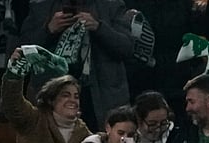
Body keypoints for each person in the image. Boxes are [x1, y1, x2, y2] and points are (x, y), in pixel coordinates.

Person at [19, 0, 135, 128]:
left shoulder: (111, 5)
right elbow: (24, 50)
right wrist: (48, 29)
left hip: (103, 96)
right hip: (56, 95)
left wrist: (99, 27)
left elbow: (127, 48)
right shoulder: (41, 7)